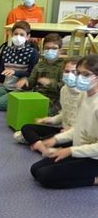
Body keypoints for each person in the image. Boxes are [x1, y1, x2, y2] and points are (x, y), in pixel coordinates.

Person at [30, 55, 98, 189]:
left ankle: (95, 179)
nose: (78, 77)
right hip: (81, 151)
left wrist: (70, 150)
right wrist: (55, 140)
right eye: (78, 73)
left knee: (45, 176)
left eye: (85, 74)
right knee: (35, 169)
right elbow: (78, 128)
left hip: (94, 158)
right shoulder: (84, 96)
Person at [15, 58, 85, 153]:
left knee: (44, 141)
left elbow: (88, 125)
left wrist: (72, 131)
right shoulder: (64, 89)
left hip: (76, 135)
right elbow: (64, 114)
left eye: (74, 72)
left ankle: (38, 143)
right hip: (63, 129)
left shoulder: (86, 93)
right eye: (67, 71)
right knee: (26, 127)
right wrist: (50, 120)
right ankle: (39, 143)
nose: (70, 75)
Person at [0, 21, 39, 111]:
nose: (18, 37)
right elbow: (1, 68)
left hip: (20, 88)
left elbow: (31, 73)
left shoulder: (32, 52)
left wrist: (15, 72)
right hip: (6, 86)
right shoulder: (7, 50)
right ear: (12, 35)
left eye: (22, 35)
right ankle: (12, 100)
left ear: (28, 37)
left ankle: (22, 100)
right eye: (16, 34)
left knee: (0, 104)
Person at [16, 33, 65, 115]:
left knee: (44, 113)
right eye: (47, 48)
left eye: (54, 48)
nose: (50, 51)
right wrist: (25, 82)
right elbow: (31, 82)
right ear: (43, 49)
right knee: (17, 102)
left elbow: (65, 89)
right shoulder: (39, 65)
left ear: (60, 50)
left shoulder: (63, 67)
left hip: (55, 99)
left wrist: (50, 83)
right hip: (38, 95)